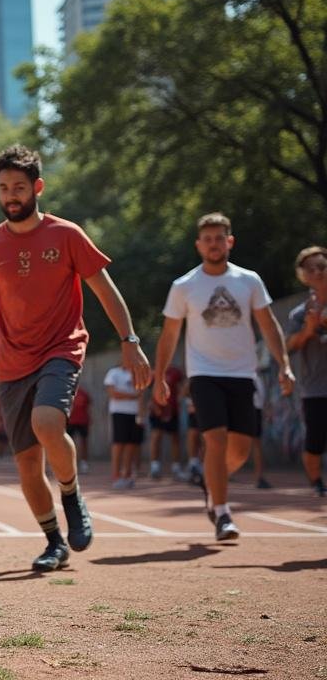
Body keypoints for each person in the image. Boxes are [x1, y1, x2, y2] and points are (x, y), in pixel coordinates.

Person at [0, 144, 151, 573]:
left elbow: (105, 290)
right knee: (27, 465)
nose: (11, 196)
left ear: (37, 187)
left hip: (61, 348)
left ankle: (72, 494)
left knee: (47, 423)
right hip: (12, 364)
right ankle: (54, 542)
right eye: (3, 187)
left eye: (19, 187)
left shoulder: (67, 235)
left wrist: (130, 339)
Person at [152, 213, 295, 541]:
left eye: (219, 238)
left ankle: (211, 480)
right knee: (215, 440)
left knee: (240, 450)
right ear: (198, 245)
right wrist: (159, 377)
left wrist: (284, 364)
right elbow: (169, 334)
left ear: (230, 242)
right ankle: (222, 513)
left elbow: (268, 324)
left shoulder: (249, 280)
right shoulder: (184, 286)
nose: (214, 244)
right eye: (208, 239)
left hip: (242, 373)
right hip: (204, 373)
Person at [287, 245, 327, 497]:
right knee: (315, 441)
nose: (318, 272)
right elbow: (289, 347)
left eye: (322, 266)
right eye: (311, 269)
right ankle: (317, 483)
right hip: (315, 388)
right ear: (303, 276)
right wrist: (309, 329)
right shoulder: (299, 314)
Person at [105, 363, 143, 488]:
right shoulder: (113, 373)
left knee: (131, 444)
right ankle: (116, 476)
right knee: (118, 444)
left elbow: (141, 394)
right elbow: (113, 393)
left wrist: (141, 414)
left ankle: (127, 475)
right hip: (119, 412)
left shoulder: (137, 373)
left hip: (134, 414)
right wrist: (133, 396)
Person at [147, 366, 187, 480]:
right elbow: (147, 391)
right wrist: (154, 406)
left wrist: (180, 397)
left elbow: (184, 385)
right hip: (157, 411)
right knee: (156, 437)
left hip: (172, 410)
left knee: (175, 438)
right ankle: (155, 467)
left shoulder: (176, 372)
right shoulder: (154, 372)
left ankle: (176, 468)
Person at [66, 384, 91, 474]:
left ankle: (84, 462)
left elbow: (88, 406)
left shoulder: (83, 393)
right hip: (70, 421)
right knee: (67, 442)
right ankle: (68, 462)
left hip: (82, 421)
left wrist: (89, 419)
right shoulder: (66, 393)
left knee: (83, 442)